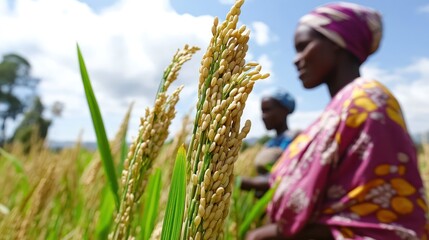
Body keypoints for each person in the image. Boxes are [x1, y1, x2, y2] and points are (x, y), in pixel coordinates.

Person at [246, 2, 429, 240]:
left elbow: (379, 216)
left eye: (303, 47)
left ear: (336, 43)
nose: (296, 59)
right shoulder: (336, 111)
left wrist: (268, 235)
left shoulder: (369, 102)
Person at [240, 90, 298, 193]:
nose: (263, 116)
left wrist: (236, 181)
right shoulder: (269, 143)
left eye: (267, 110)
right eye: (262, 111)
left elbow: (280, 179)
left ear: (284, 110)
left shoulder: (295, 138)